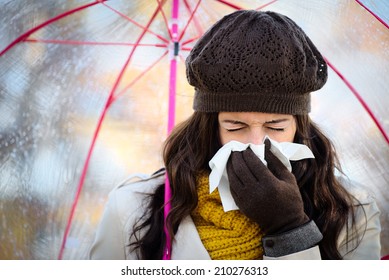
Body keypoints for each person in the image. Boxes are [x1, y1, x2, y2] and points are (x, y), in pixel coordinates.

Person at [89, 10, 381, 260]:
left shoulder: (351, 211)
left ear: (299, 127)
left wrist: (291, 229)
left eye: (276, 127)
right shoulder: (132, 208)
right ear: (209, 127)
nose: (256, 144)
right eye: (235, 127)